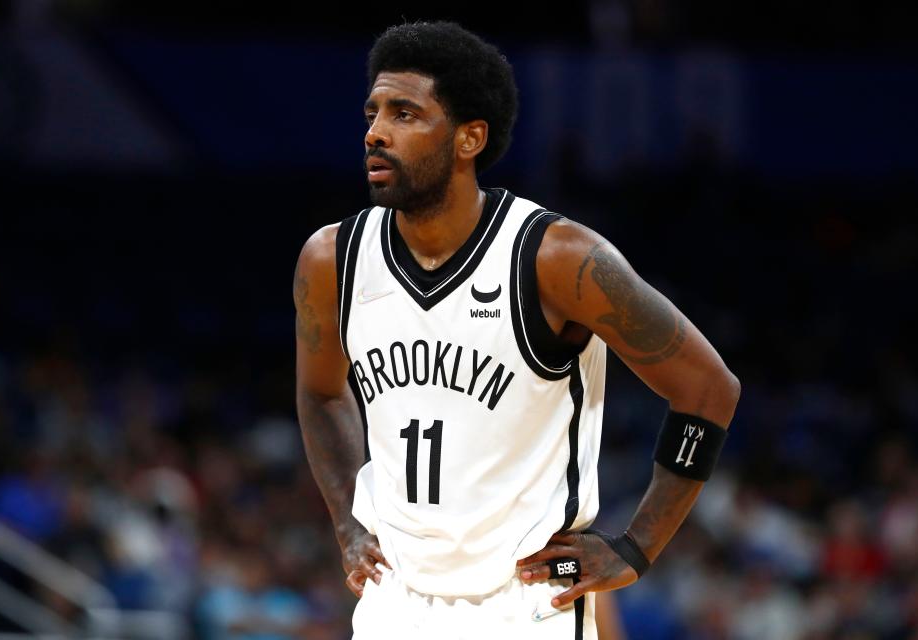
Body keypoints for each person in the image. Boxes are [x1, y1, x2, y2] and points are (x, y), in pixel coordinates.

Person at [294, 20, 740, 639]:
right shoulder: (331, 262)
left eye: (405, 113)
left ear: (469, 137)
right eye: (372, 112)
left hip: (526, 601)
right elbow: (320, 393)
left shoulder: (558, 259)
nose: (375, 132)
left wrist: (637, 548)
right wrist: (346, 522)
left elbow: (708, 389)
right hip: (395, 595)